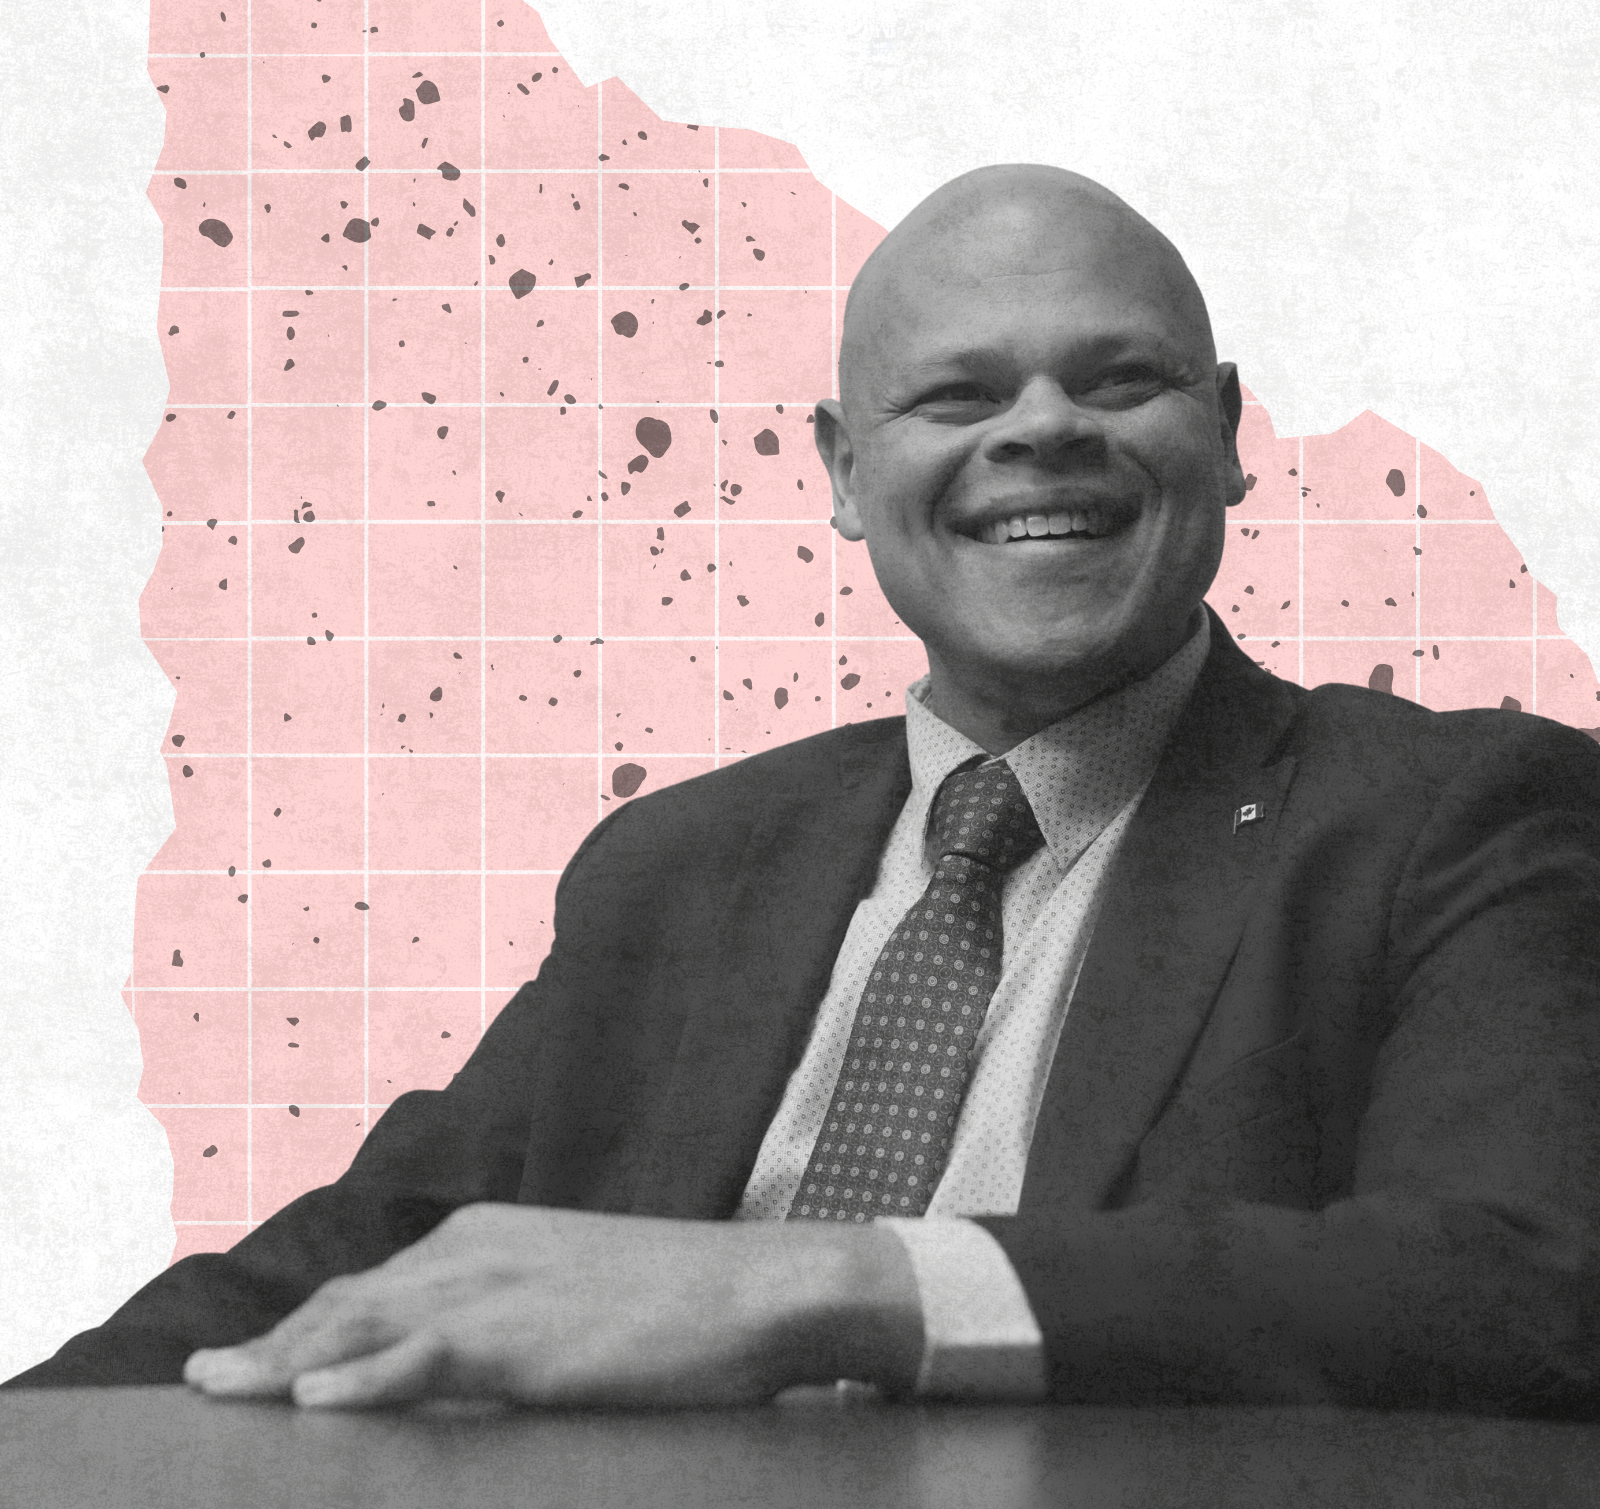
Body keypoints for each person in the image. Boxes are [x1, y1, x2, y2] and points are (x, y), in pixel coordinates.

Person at [9, 165, 1600, 1414]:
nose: (1043, 430)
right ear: (844, 474)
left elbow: (1520, 1284)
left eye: (1117, 380)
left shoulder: (1462, 818)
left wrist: (827, 1287)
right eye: (962, 398)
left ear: (1230, 434)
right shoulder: (676, 866)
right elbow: (377, 1248)